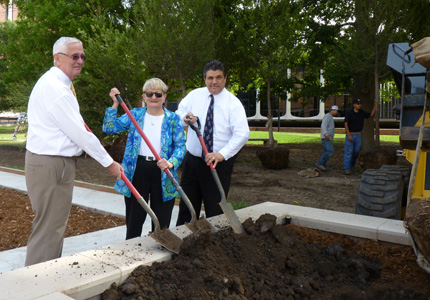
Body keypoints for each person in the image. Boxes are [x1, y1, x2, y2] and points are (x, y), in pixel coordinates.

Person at [25, 37, 123, 266]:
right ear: (57, 59)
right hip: (52, 164)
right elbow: (80, 135)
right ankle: (39, 285)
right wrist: (109, 163)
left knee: (52, 227)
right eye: (74, 56)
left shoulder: (59, 84)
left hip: (51, 163)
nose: (80, 61)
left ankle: (44, 280)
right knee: (49, 229)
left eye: (82, 56)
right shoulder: (56, 89)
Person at [103, 79, 186, 240]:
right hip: (137, 169)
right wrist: (114, 104)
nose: (153, 97)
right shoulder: (135, 115)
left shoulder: (173, 119)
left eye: (158, 93)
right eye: (149, 93)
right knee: (135, 217)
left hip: (163, 171)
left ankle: (161, 246)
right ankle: (132, 249)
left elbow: (181, 147)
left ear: (164, 96)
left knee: (162, 219)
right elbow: (109, 127)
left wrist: (171, 162)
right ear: (144, 96)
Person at [175, 60, 250, 225]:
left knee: (214, 210)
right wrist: (185, 118)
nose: (214, 81)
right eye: (210, 78)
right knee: (187, 208)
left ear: (225, 79)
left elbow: (242, 134)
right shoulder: (195, 95)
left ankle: (213, 243)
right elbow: (178, 113)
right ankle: (183, 242)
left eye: (218, 77)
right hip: (192, 162)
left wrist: (222, 154)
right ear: (204, 78)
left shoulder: (233, 103)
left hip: (217, 163)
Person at [344, 99, 377, 175]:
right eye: (358, 104)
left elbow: (371, 115)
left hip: (358, 135)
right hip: (351, 134)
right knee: (349, 152)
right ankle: (347, 168)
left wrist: (375, 106)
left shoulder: (362, 112)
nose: (359, 105)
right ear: (354, 105)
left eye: (360, 103)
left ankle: (351, 165)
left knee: (356, 152)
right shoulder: (349, 113)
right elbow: (346, 124)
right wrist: (348, 135)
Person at [315, 105, 339, 171]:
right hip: (326, 137)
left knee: (326, 151)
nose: (337, 112)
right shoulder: (327, 116)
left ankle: (323, 165)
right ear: (333, 110)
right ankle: (320, 163)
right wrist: (326, 134)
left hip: (328, 137)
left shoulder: (330, 117)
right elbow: (323, 125)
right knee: (330, 151)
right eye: (336, 111)